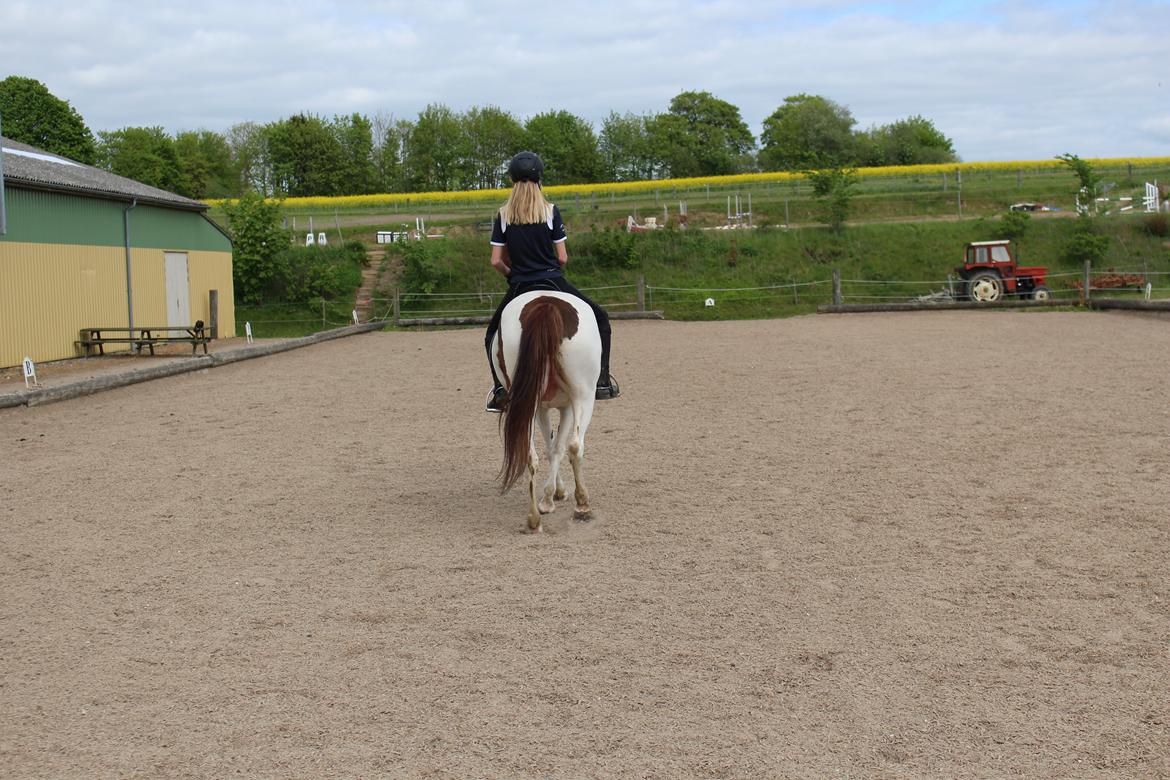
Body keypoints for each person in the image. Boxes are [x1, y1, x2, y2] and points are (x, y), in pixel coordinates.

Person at [484, 151, 619, 413]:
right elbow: (563, 256)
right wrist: (551, 268)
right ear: (539, 180)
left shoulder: (503, 215)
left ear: (512, 180)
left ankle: (500, 391)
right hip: (552, 280)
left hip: (520, 284)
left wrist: (512, 275)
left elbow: (495, 261)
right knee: (600, 318)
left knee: (491, 335)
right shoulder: (550, 211)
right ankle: (602, 381)